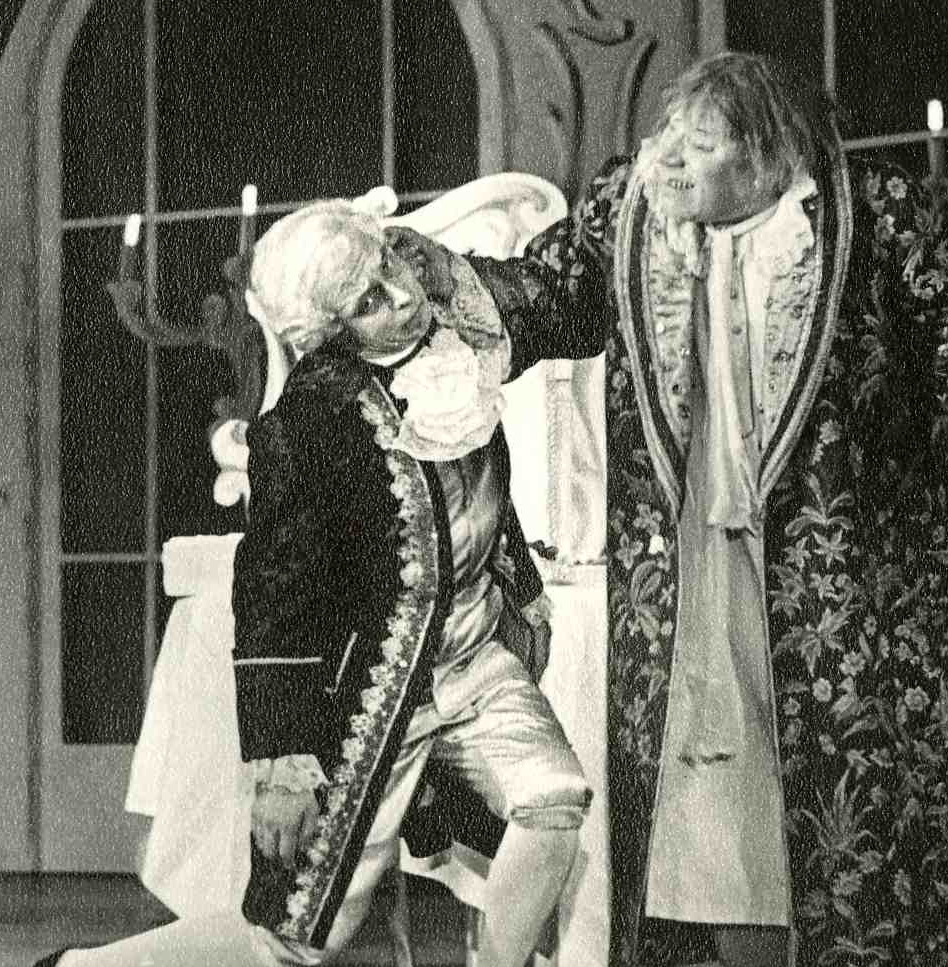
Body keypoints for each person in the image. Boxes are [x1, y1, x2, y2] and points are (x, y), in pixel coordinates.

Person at [490, 49, 948, 967]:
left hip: (846, 580)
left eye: (700, 143)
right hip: (684, 573)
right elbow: (547, 295)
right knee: (699, 813)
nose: (666, 158)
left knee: (845, 797)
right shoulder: (629, 204)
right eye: (665, 135)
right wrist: (433, 290)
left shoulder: (872, 210)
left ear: (768, 153)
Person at [56, 202, 596, 967]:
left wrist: (450, 267)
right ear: (331, 330)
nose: (400, 296)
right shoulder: (309, 422)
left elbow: (571, 314)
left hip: (478, 663)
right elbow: (273, 596)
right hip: (370, 695)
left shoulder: (463, 336)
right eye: (369, 300)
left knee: (554, 798)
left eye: (390, 266)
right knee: (294, 940)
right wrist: (280, 760)